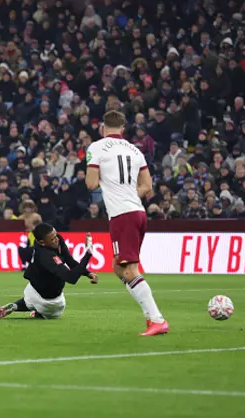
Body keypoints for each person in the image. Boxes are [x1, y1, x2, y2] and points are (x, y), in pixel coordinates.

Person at [85, 110, 169, 336]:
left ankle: (157, 320)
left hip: (123, 215)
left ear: (103, 128)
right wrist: (129, 193)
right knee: (118, 266)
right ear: (123, 129)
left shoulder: (96, 147)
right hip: (136, 212)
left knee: (130, 270)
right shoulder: (135, 150)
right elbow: (147, 186)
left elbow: (91, 184)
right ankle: (151, 317)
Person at [0, 224, 98, 320]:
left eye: (56, 235)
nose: (56, 240)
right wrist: (88, 254)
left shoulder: (56, 241)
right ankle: (39, 312)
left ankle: (15, 306)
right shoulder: (45, 256)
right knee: (54, 313)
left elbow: (70, 261)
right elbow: (71, 278)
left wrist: (87, 273)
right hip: (50, 302)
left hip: (33, 289)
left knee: (29, 302)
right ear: (42, 242)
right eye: (52, 239)